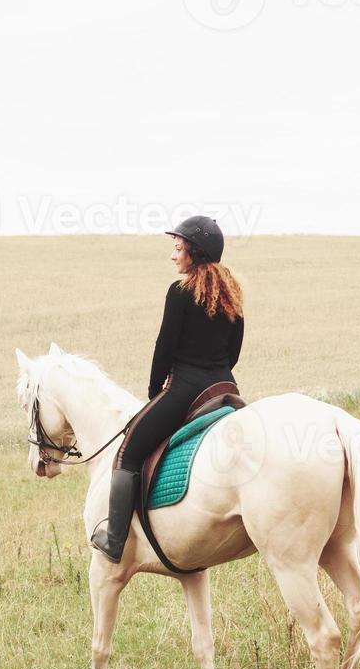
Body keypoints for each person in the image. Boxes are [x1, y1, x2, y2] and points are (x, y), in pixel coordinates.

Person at [90, 215, 245, 563]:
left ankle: (115, 541)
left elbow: (165, 346)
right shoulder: (231, 295)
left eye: (178, 248)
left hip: (186, 390)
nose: (173, 256)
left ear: (194, 252)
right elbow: (234, 351)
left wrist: (154, 388)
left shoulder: (180, 292)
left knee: (128, 449)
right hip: (225, 389)